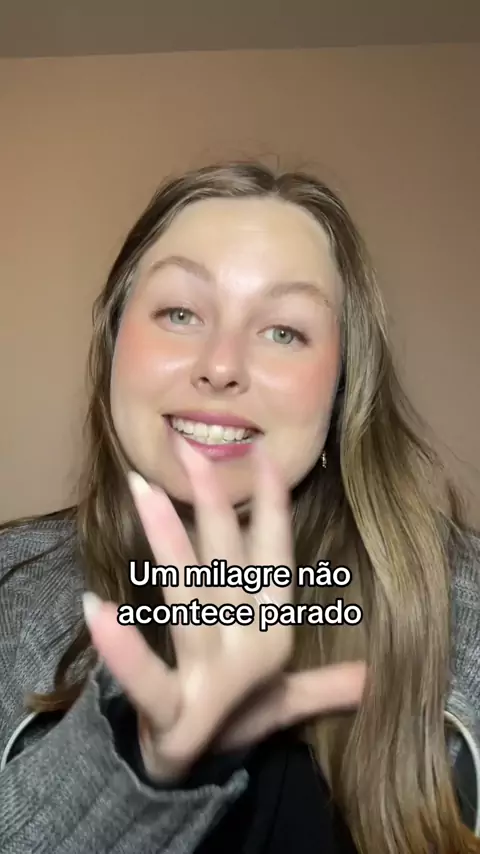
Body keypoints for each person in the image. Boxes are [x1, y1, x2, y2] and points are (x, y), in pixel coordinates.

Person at [0, 161, 479, 854]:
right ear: (113, 345)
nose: (221, 365)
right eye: (180, 314)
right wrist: (139, 769)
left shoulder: (465, 604)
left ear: (343, 386)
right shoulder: (10, 587)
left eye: (283, 331)